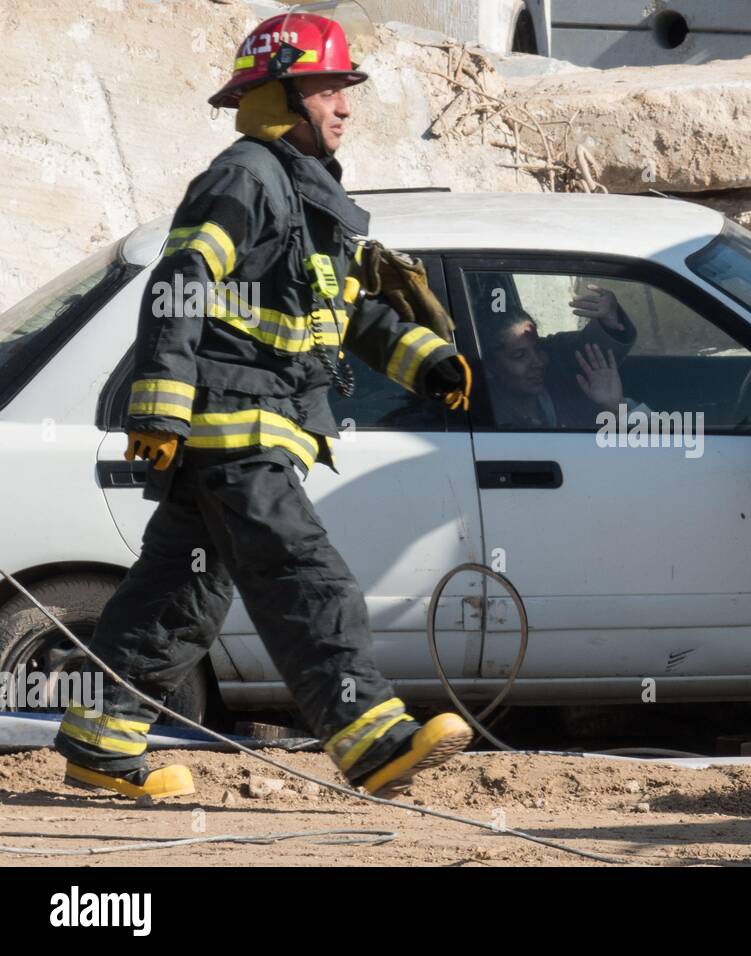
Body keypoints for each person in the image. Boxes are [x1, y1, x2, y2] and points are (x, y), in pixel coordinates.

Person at [55, 7, 475, 800]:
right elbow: (180, 282)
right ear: (281, 95)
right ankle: (370, 735)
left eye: (345, 88)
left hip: (257, 422)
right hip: (230, 425)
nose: (346, 105)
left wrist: (427, 362)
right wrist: (162, 406)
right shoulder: (244, 176)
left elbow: (341, 310)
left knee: (178, 594)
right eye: (326, 88)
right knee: (302, 573)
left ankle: (100, 744)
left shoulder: (305, 190)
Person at [481, 284, 645, 427]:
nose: (538, 362)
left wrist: (616, 408)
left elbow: (659, 445)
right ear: (490, 366)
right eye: (519, 355)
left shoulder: (574, 387)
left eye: (538, 348)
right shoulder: (483, 423)